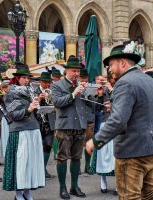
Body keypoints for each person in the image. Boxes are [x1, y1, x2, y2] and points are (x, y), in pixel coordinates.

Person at [86, 43, 153, 200]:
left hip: (133, 151)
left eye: (110, 65)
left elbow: (118, 121)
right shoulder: (150, 80)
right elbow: (145, 110)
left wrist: (96, 140)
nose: (109, 69)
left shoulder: (124, 82)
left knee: (129, 197)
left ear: (122, 62)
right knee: (150, 195)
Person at [3, 64, 45, 200]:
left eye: (28, 78)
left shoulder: (32, 92)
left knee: (31, 163)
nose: (26, 80)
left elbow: (36, 115)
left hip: (33, 130)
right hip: (20, 132)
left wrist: (42, 107)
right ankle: (18, 193)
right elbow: (13, 115)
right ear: (17, 79)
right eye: (23, 78)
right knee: (21, 163)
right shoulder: (11, 94)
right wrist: (29, 109)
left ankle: (27, 191)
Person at [52, 56, 87, 199]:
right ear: (66, 71)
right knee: (62, 157)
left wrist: (94, 94)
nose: (77, 74)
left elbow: (88, 105)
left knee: (77, 157)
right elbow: (57, 103)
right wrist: (73, 94)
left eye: (78, 71)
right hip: (64, 125)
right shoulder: (57, 85)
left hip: (80, 125)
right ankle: (62, 188)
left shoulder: (81, 84)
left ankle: (74, 186)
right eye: (74, 71)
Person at [35, 72, 55, 179]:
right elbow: (31, 106)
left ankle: (43, 168)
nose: (47, 84)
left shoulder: (52, 92)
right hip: (37, 122)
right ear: (40, 82)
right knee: (37, 147)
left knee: (48, 145)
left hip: (49, 122)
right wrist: (39, 99)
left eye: (49, 82)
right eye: (45, 82)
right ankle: (36, 169)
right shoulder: (34, 91)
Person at [78, 67, 95, 175]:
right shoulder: (75, 87)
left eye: (85, 78)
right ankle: (77, 166)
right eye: (81, 78)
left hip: (89, 119)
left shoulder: (91, 87)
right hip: (78, 119)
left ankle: (87, 166)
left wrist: (89, 95)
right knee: (78, 144)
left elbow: (94, 105)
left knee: (89, 143)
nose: (83, 80)